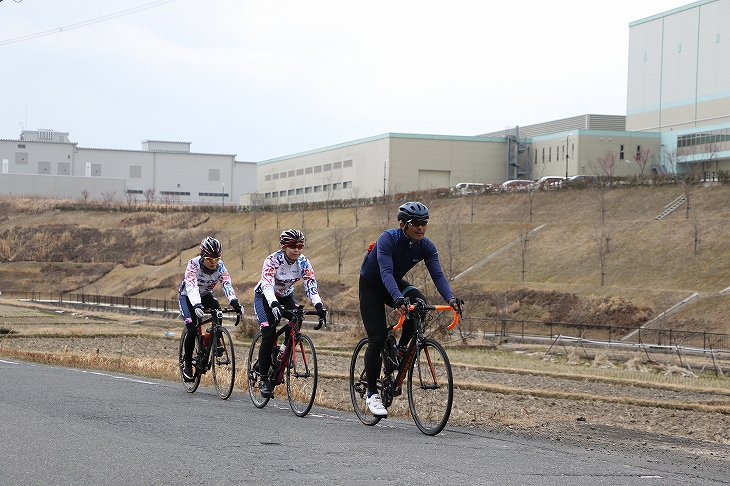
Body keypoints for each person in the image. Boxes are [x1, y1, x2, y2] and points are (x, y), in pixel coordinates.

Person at [359, 201, 463, 417]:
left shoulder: (426, 246)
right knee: (377, 338)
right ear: (402, 225)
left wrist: (451, 298)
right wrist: (398, 298)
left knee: (421, 305)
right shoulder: (388, 239)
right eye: (415, 223)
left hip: (394, 283)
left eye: (424, 223)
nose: (421, 228)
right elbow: (386, 271)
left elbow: (438, 275)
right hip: (372, 286)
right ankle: (371, 394)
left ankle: (402, 347)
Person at [253, 229, 326, 398]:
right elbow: (267, 285)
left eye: (300, 246)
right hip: (265, 296)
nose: (297, 250)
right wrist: (273, 303)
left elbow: (311, 286)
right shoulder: (272, 260)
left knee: (297, 317)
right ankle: (263, 378)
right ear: (284, 247)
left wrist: (319, 305)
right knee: (268, 334)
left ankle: (282, 353)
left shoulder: (304, 262)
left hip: (286, 295)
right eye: (293, 246)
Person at [178, 236, 242, 381]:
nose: (214, 263)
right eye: (210, 260)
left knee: (218, 312)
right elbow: (191, 286)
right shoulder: (193, 264)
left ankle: (213, 339)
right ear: (202, 256)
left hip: (206, 295)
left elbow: (226, 283)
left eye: (217, 259)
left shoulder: (220, 266)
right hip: (188, 296)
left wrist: (234, 301)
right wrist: (196, 304)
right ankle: (187, 364)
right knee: (192, 329)